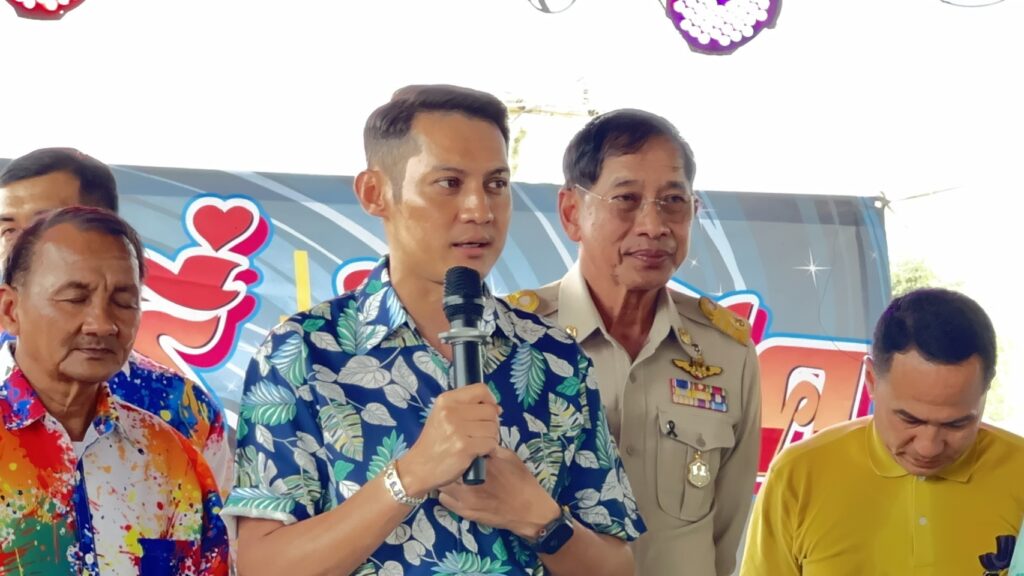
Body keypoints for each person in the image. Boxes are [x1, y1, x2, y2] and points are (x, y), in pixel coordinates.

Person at [222, 84, 644, 576]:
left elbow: (618, 568)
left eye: (496, 184)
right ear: (375, 193)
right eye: (449, 183)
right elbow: (262, 565)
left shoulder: (554, 358)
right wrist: (409, 476)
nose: (480, 210)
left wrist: (539, 519)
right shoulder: (303, 353)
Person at [505, 109, 761, 575]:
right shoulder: (511, 341)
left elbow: (726, 535)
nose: (654, 225)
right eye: (626, 199)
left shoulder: (728, 354)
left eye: (673, 201)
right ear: (572, 212)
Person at [0, 206, 229, 575]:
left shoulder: (173, 461)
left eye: (123, 302)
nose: (103, 324)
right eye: (75, 299)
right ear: (11, 309)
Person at [741, 287, 1024, 575]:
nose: (928, 447)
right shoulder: (797, 475)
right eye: (909, 419)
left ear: (986, 391)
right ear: (871, 380)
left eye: (956, 424)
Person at [0, 147, 231, 494]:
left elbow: (218, 528)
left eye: (44, 226)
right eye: (8, 230)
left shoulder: (182, 410)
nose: (19, 247)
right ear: (9, 308)